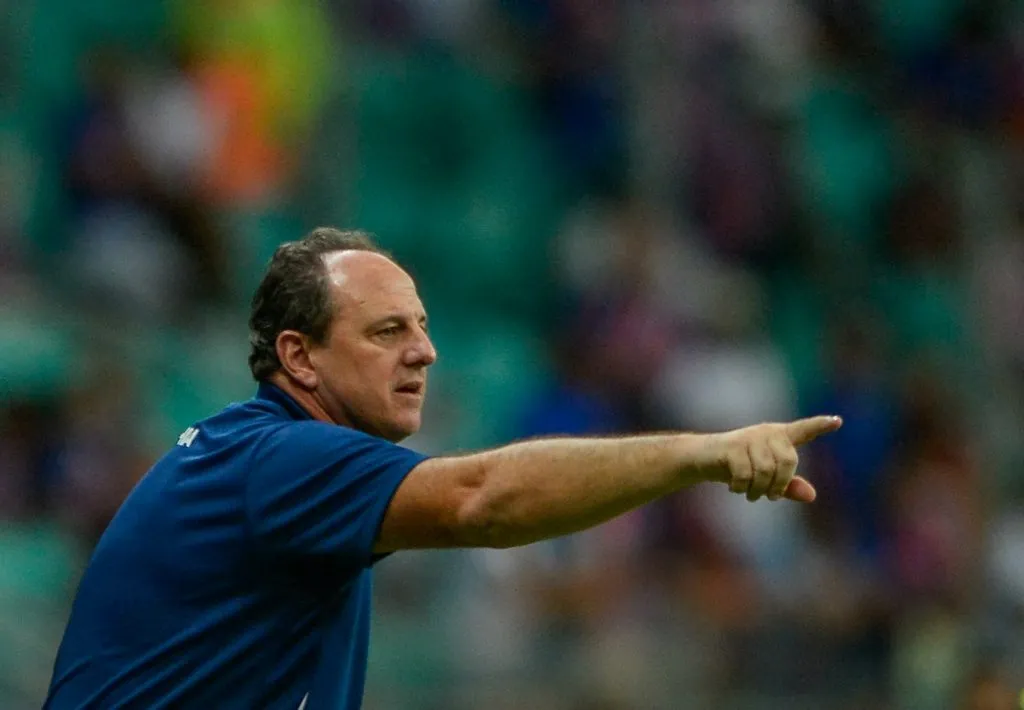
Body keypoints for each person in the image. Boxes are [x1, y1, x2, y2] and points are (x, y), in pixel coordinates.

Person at [44, 227, 842, 709]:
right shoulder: (281, 458)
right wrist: (699, 453)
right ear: (300, 356)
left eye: (421, 327)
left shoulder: (270, 466)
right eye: (387, 331)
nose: (424, 350)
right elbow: (481, 502)